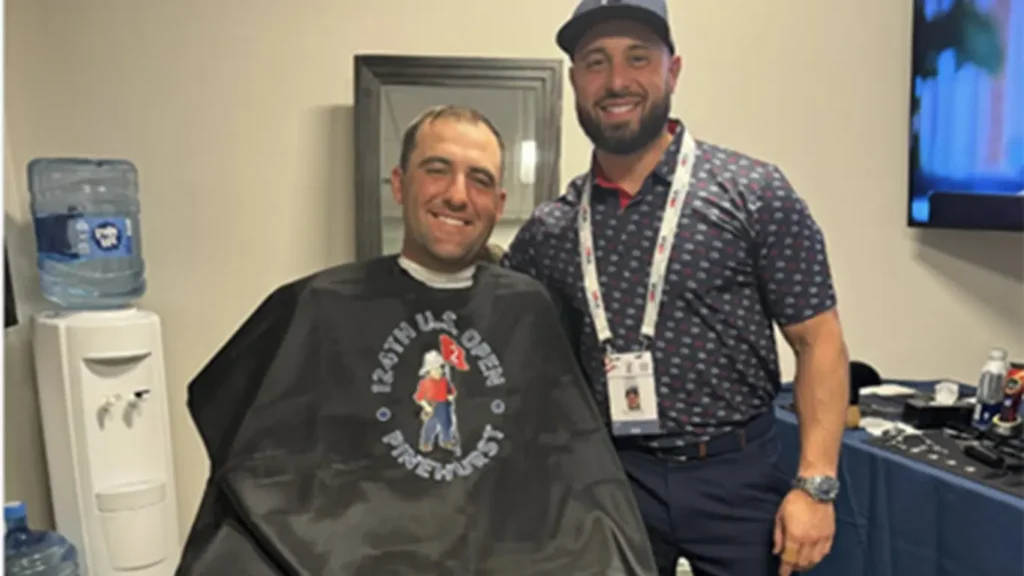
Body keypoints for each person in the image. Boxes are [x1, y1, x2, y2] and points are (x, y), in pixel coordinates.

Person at [176, 104, 659, 575]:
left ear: (500, 204)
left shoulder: (531, 311)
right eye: (437, 169)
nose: (457, 195)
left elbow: (571, 466)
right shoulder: (318, 304)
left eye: (480, 179)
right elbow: (257, 461)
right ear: (399, 183)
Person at [501, 2, 850, 575]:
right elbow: (503, 333)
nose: (616, 81)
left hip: (737, 479)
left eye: (638, 58)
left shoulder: (754, 194)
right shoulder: (551, 231)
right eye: (596, 62)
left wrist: (816, 485)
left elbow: (820, 341)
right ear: (574, 81)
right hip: (613, 479)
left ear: (673, 70)